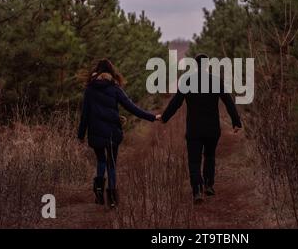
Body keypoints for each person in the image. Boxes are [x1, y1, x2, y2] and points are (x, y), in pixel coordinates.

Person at [78, 58, 161, 208]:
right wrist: (152, 117)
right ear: (111, 72)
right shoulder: (114, 88)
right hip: (112, 133)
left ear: (97, 71)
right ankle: (112, 199)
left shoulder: (90, 89)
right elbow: (132, 107)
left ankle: (98, 191)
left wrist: (80, 135)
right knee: (112, 164)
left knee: (101, 161)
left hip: (95, 132)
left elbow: (85, 114)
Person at [161, 54, 242, 203]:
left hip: (194, 129)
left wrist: (164, 117)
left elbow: (176, 102)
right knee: (210, 156)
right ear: (207, 65)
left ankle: (197, 191)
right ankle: (209, 185)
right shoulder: (216, 81)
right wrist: (236, 122)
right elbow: (228, 102)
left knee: (194, 160)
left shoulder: (188, 81)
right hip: (212, 129)